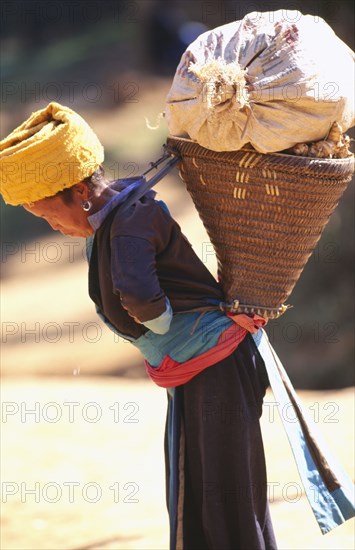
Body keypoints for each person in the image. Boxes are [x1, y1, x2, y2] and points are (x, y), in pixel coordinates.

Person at [2, 102, 353, 548]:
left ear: (78, 190)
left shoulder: (129, 220)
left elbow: (138, 294)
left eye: (48, 213)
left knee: (224, 492)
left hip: (218, 367)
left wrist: (164, 329)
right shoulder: (120, 214)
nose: (51, 225)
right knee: (203, 484)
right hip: (205, 367)